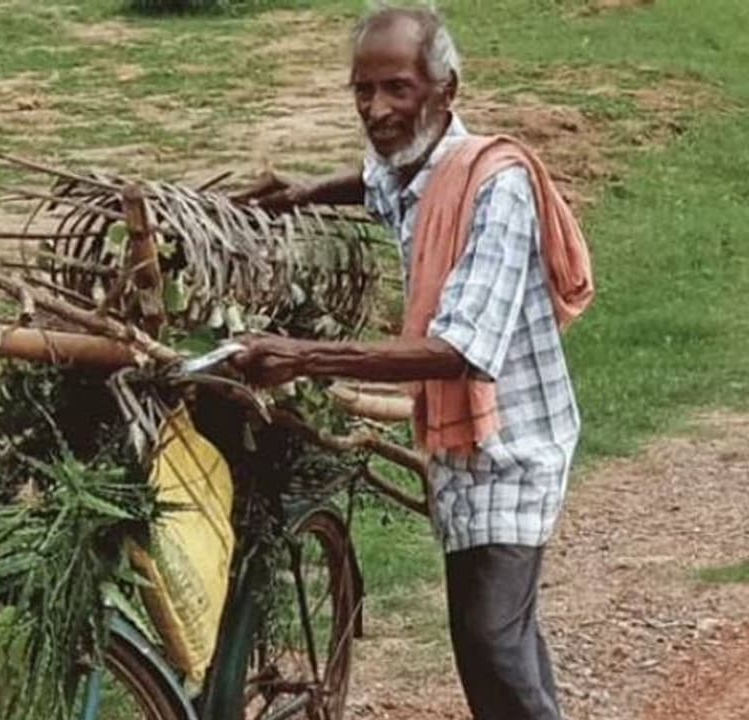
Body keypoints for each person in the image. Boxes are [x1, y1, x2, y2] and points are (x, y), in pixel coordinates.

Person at [231, 6, 590, 719]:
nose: (377, 109)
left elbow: (459, 351)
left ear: (445, 91)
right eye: (362, 91)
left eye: (397, 88)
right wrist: (300, 196)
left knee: (489, 645)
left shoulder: (495, 186)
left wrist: (302, 356)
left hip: (513, 442)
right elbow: (373, 184)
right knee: (506, 641)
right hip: (462, 445)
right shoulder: (414, 169)